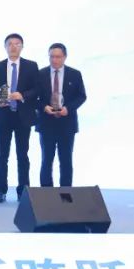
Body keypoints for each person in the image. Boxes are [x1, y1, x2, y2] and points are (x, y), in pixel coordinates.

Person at [0, 33, 39, 203]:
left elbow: (37, 89)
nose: (13, 47)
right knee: (2, 156)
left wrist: (22, 95)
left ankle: (23, 191)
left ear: (22, 47)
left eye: (17, 44)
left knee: (22, 155)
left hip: (23, 116)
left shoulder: (31, 66)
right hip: (3, 116)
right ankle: (0, 190)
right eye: (10, 44)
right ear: (5, 47)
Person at [36, 43, 87, 187]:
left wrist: (68, 108)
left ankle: (65, 193)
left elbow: (81, 96)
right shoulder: (40, 74)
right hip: (46, 123)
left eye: (58, 57)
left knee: (66, 161)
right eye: (51, 57)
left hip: (67, 124)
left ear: (65, 57)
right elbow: (33, 97)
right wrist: (44, 107)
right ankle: (46, 193)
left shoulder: (75, 74)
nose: (54, 60)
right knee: (46, 160)